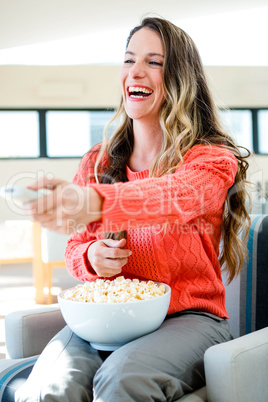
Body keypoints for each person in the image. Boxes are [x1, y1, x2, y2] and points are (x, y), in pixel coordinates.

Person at [16, 17, 251, 402]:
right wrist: (92, 257)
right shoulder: (97, 160)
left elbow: (173, 197)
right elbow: (76, 249)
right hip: (104, 318)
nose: (135, 71)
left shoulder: (210, 159)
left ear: (180, 77)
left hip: (190, 319)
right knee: (51, 388)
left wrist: (95, 202)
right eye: (129, 60)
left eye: (154, 62)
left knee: (122, 379)